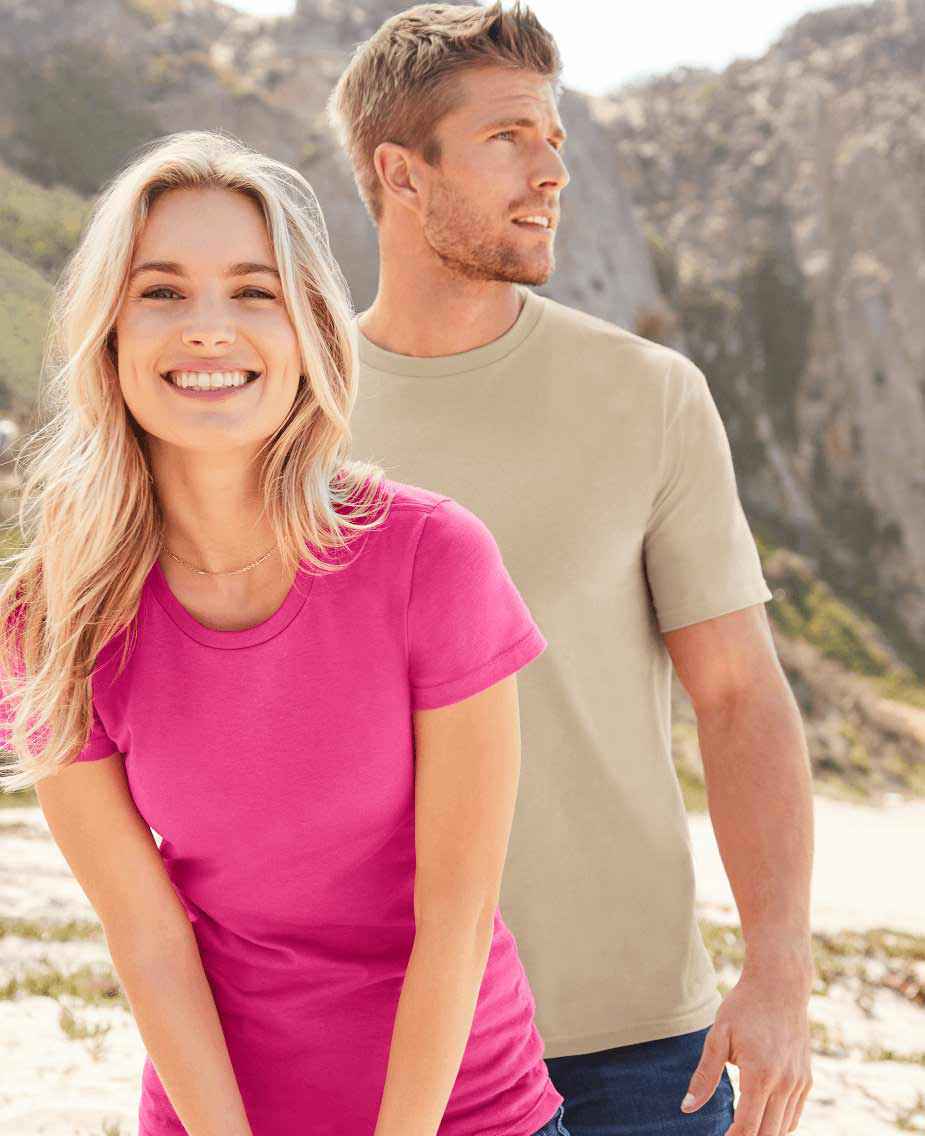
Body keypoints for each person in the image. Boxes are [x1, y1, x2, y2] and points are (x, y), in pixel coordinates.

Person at [0, 129, 573, 1136]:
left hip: (467, 1117)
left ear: (309, 328)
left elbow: (454, 916)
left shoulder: (431, 558)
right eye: (163, 291)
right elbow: (148, 936)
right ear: (110, 333)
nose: (209, 328)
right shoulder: (56, 614)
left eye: (253, 292)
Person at [327, 4, 816, 1135]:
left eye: (553, 136)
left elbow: (740, 693)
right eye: (508, 136)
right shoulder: (293, 410)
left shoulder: (648, 394)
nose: (552, 169)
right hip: (388, 1042)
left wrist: (779, 970)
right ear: (401, 173)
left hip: (638, 1050)